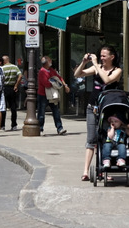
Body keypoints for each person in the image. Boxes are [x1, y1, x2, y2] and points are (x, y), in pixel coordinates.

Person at [74, 45, 122, 181]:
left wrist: (95, 64)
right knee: (91, 139)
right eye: (100, 55)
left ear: (112, 57)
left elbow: (106, 80)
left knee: (106, 139)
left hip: (108, 110)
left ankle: (105, 170)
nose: (101, 58)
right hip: (93, 107)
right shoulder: (97, 67)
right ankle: (85, 171)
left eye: (104, 56)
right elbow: (77, 74)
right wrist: (84, 62)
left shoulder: (117, 71)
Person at [37, 55, 69, 136]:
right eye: (49, 60)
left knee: (56, 111)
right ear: (46, 62)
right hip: (43, 95)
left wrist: (65, 85)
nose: (51, 62)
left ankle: (60, 128)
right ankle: (39, 128)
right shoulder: (42, 72)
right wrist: (55, 82)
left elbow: (59, 78)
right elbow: (47, 84)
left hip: (52, 95)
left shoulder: (51, 70)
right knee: (41, 113)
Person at [0, 54, 22, 131]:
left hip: (4, 88)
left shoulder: (2, 68)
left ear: (4, 61)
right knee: (13, 107)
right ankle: (14, 125)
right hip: (12, 88)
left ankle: (2, 125)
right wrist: (16, 85)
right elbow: (20, 76)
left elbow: (0, 78)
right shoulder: (15, 67)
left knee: (3, 107)